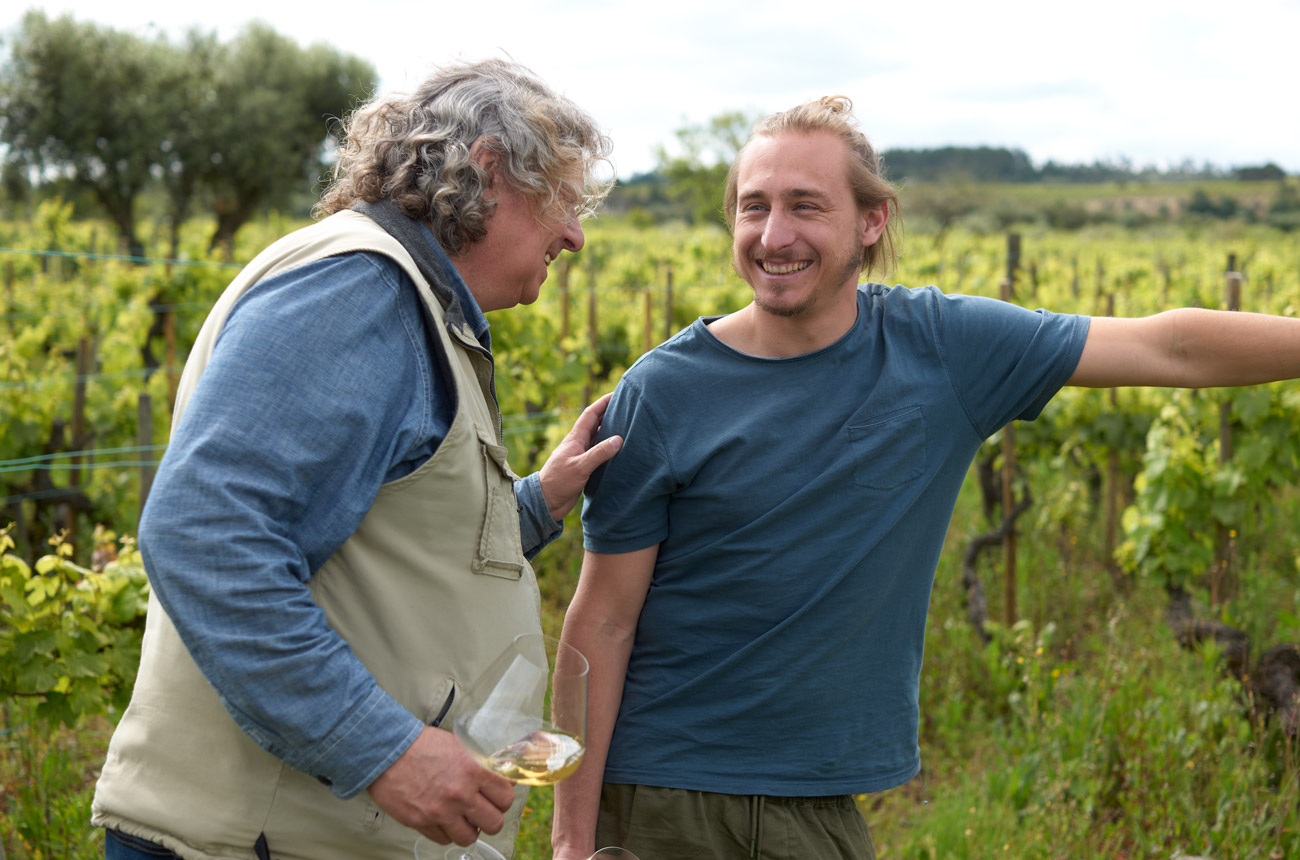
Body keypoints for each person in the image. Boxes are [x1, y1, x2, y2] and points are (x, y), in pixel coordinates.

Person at [550, 95, 1300, 860]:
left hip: (821, 806)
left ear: (870, 222)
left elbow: (1167, 349)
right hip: (663, 801)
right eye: (754, 207)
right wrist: (571, 840)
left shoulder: (942, 351)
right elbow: (601, 620)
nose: (774, 236)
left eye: (806, 206)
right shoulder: (663, 391)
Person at [91, 58, 622, 860]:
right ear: (486, 170)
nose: (576, 234)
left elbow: (391, 536)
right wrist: (383, 750)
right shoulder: (360, 293)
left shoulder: (402, 299)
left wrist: (540, 498)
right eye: (565, 200)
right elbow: (205, 532)